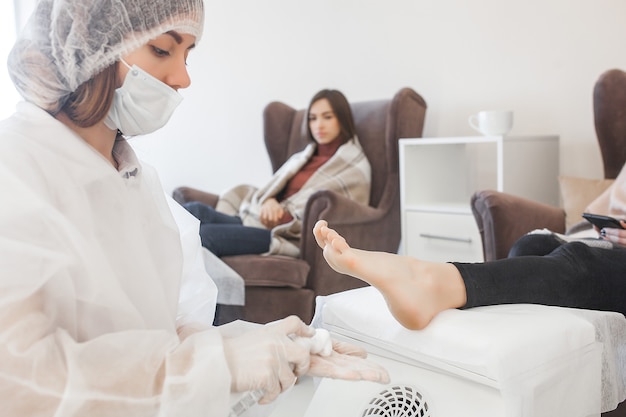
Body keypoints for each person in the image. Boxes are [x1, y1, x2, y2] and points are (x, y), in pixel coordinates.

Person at [0, 1, 388, 416]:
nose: (183, 78)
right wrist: (217, 366)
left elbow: (161, 338)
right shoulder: (15, 172)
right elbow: (20, 381)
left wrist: (249, 347)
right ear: (85, 49)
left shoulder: (138, 182)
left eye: (188, 54)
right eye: (163, 50)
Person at [312, 165, 626, 330]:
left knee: (577, 262)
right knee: (530, 245)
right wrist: (600, 225)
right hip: (599, 240)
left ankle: (432, 282)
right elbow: (601, 205)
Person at [182, 89, 371, 257]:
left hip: (284, 234)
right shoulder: (302, 157)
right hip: (256, 219)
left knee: (204, 234)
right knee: (194, 211)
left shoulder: (354, 168)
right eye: (313, 118)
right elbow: (272, 190)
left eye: (327, 117)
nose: (318, 125)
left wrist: (281, 216)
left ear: (342, 119)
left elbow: (338, 215)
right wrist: (269, 201)